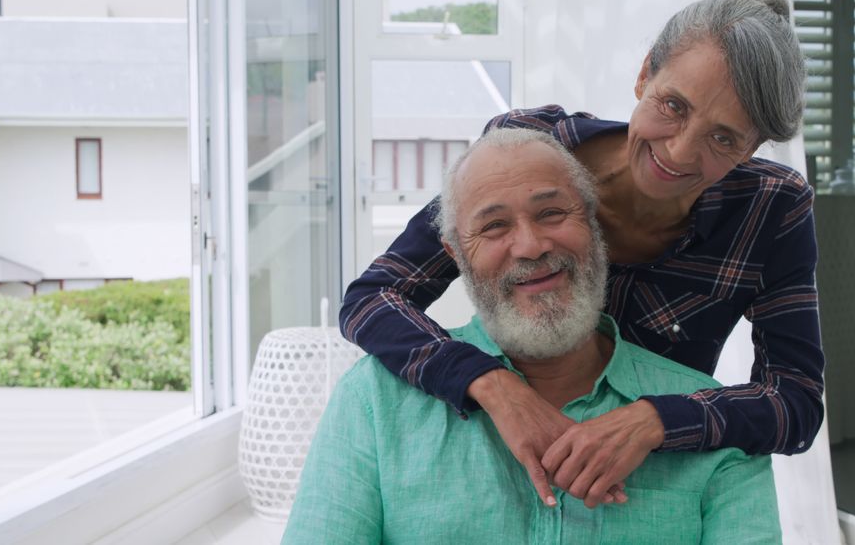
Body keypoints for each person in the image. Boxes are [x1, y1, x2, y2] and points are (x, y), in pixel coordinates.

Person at [340, 0, 823, 508]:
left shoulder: (772, 208)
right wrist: (491, 384)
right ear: (644, 75)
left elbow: (796, 402)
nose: (680, 152)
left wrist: (657, 418)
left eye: (724, 138)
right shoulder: (530, 149)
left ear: (752, 148)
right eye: (673, 105)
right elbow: (373, 297)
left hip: (644, 485)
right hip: (496, 450)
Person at [284, 128, 781, 544]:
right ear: (457, 256)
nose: (530, 245)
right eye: (494, 226)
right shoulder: (373, 401)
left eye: (551, 213)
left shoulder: (716, 428)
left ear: (594, 227)